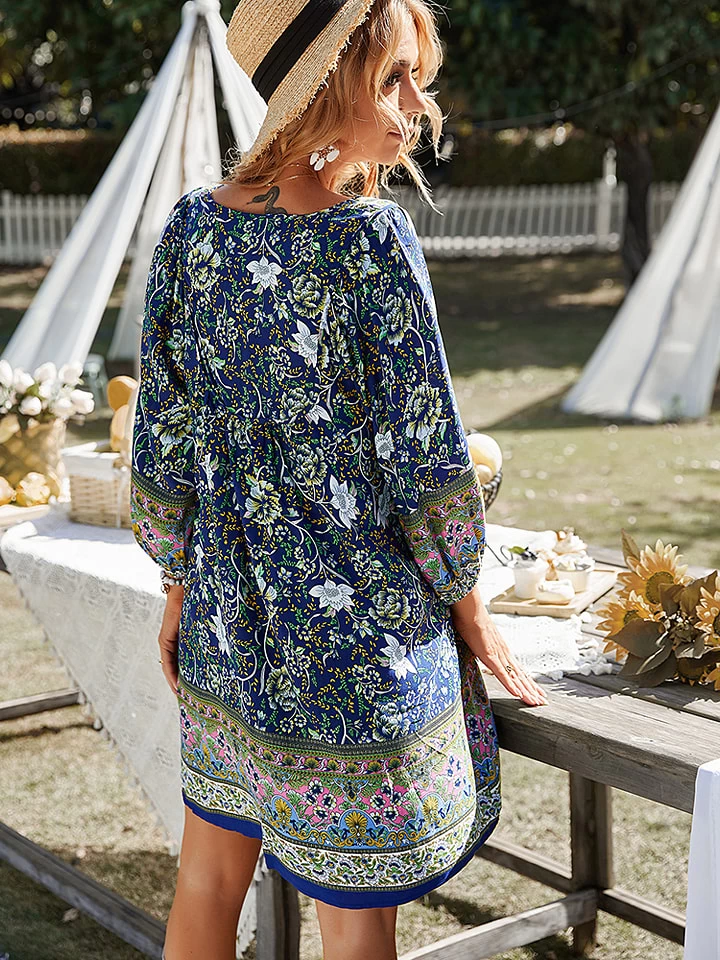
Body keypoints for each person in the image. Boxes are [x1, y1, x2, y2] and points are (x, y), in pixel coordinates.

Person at [129, 0, 548, 957]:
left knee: (206, 883)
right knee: (355, 936)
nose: (416, 108)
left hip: (230, 630)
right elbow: (426, 459)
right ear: (323, 83)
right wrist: (470, 605)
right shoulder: (369, 240)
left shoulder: (192, 230)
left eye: (416, 81)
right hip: (357, 650)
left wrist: (181, 587)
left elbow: (163, 450)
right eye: (393, 78)